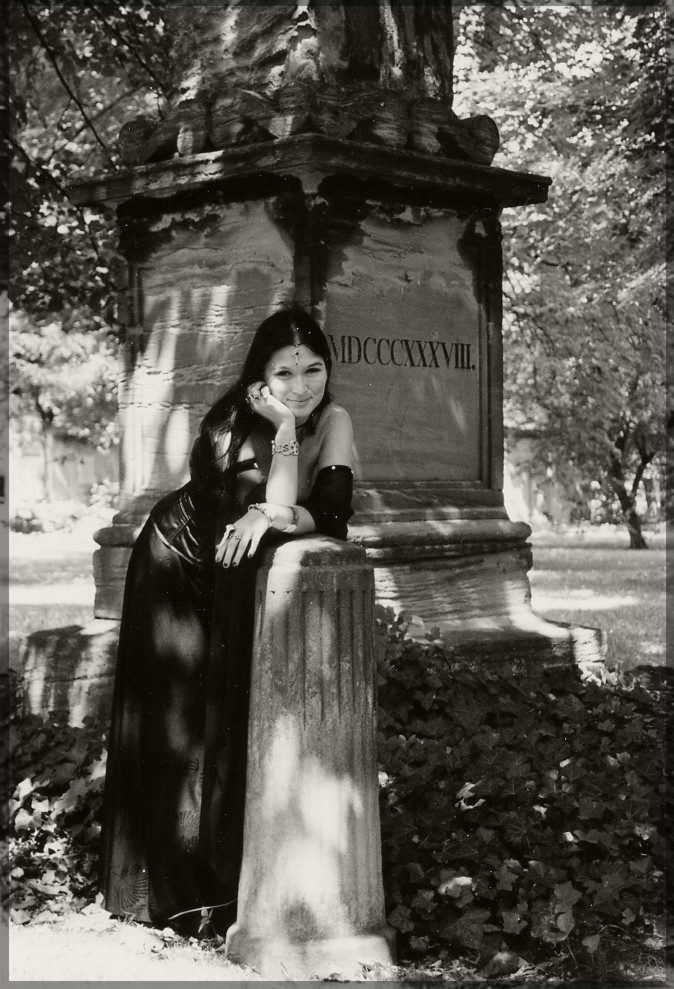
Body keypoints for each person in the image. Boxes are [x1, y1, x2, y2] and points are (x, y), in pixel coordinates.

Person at [98, 305, 355, 937]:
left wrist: (275, 516)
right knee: (179, 720)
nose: (302, 385)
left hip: (232, 568)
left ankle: (220, 888)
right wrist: (284, 447)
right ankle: (170, 895)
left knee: (226, 712)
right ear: (261, 375)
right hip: (178, 557)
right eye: (285, 371)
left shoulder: (338, 419)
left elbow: (329, 511)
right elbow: (274, 500)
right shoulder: (240, 418)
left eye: (313, 369)